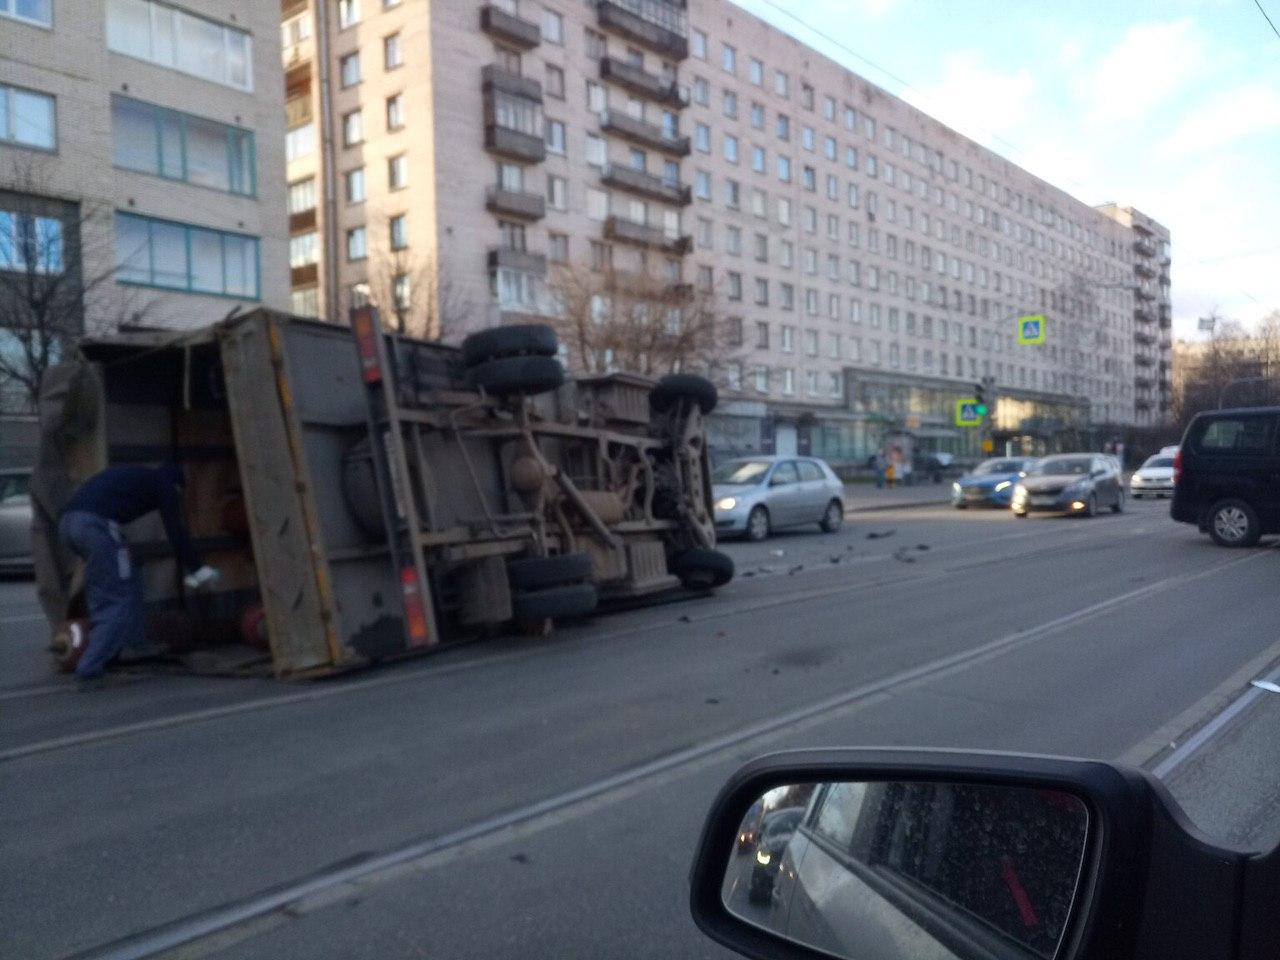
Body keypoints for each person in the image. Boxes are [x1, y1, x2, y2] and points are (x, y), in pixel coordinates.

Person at [57, 464, 217, 682]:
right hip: (95, 526)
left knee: (126, 576)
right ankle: (90, 667)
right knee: (117, 598)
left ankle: (134, 643)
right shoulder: (166, 485)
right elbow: (176, 532)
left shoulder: (142, 476)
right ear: (178, 486)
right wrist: (199, 570)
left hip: (69, 524)